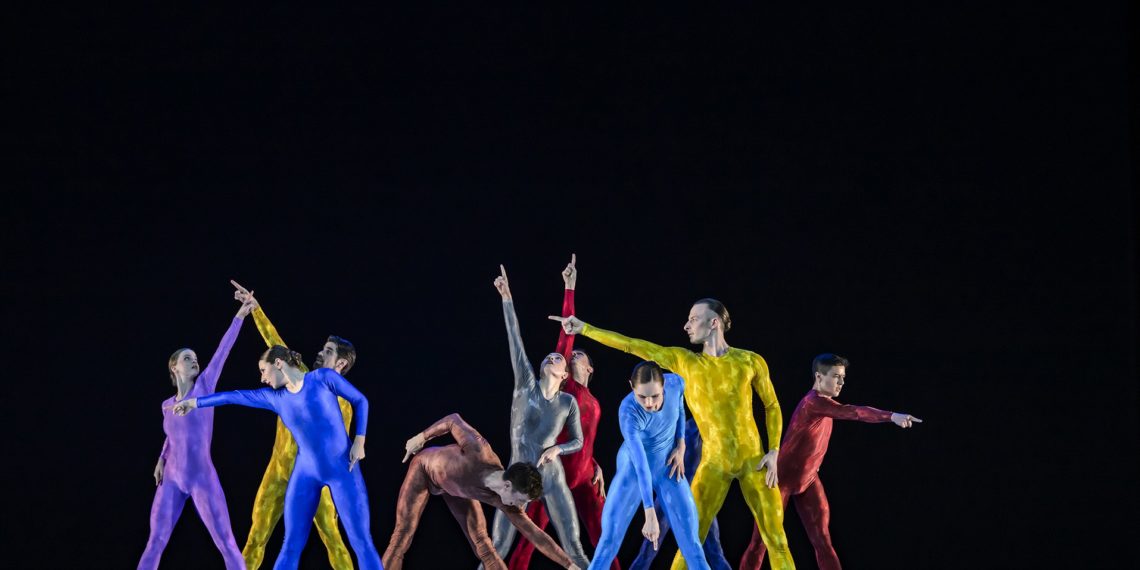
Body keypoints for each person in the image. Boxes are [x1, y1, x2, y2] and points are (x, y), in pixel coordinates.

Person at [551, 298, 795, 570]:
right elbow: (633, 345)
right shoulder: (682, 364)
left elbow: (772, 405)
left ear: (713, 323)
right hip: (711, 465)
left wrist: (774, 450)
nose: (686, 325)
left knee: (777, 540)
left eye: (693, 319)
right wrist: (585, 329)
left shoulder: (749, 361)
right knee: (689, 543)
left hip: (753, 460)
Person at [171, 346, 382, 570]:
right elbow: (234, 396)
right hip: (306, 473)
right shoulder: (274, 398)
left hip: (343, 469)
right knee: (290, 545)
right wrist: (194, 403)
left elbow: (361, 401)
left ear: (279, 363)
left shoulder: (322, 378)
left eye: (264, 370)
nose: (262, 379)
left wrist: (360, 439)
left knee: (361, 542)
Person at [739, 354, 922, 570]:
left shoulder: (826, 404)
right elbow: (853, 412)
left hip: (808, 481)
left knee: (824, 542)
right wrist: (891, 416)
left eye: (843, 377)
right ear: (819, 376)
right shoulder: (813, 403)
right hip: (779, 481)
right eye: (836, 377)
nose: (842, 383)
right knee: (760, 543)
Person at [230, 280, 355, 570]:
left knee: (333, 539)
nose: (320, 353)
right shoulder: (300, 376)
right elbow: (275, 345)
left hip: (311, 478)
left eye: (327, 351)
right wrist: (256, 310)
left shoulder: (344, 405)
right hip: (277, 472)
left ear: (342, 364)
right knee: (255, 537)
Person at [508, 255, 614, 570]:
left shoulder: (594, 400)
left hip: (583, 476)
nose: (573, 355)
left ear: (590, 368)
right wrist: (570, 288)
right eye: (573, 354)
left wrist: (594, 463)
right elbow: (567, 334)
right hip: (556, 473)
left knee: (606, 537)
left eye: (580, 355)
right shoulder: (564, 389)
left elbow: (583, 435)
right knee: (530, 538)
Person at [138, 293, 253, 570]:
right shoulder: (167, 405)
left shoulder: (204, 388)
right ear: (174, 367)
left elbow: (222, 352)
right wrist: (161, 458)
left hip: (202, 477)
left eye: (195, 358)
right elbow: (171, 436)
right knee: (155, 541)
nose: (194, 361)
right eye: (188, 359)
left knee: (226, 542)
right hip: (172, 479)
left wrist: (240, 315)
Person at [487, 265, 592, 570]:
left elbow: (578, 440)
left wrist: (558, 448)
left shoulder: (567, 401)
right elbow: (515, 343)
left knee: (573, 547)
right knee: (496, 547)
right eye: (550, 356)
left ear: (564, 375)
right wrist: (507, 298)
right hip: (517, 477)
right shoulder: (525, 387)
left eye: (559, 358)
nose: (553, 356)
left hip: (551, 478)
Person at [383, 413, 581, 570]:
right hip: (424, 471)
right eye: (519, 500)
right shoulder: (480, 451)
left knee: (485, 547)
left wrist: (570, 565)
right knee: (401, 536)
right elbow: (453, 420)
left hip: (457, 490)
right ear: (507, 486)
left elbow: (536, 535)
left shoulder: (505, 499)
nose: (520, 506)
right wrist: (421, 438)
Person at [588, 362, 709, 570]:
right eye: (642, 397)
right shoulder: (628, 412)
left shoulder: (676, 383)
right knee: (608, 542)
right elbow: (641, 462)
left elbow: (679, 408)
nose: (649, 403)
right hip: (633, 469)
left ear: (664, 387)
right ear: (631, 387)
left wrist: (681, 445)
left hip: (667, 467)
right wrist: (649, 512)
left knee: (693, 544)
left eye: (655, 396)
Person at [629, 418, 731, 570]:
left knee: (714, 551)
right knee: (648, 550)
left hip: (696, 497)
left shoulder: (713, 432)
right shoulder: (680, 427)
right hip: (671, 495)